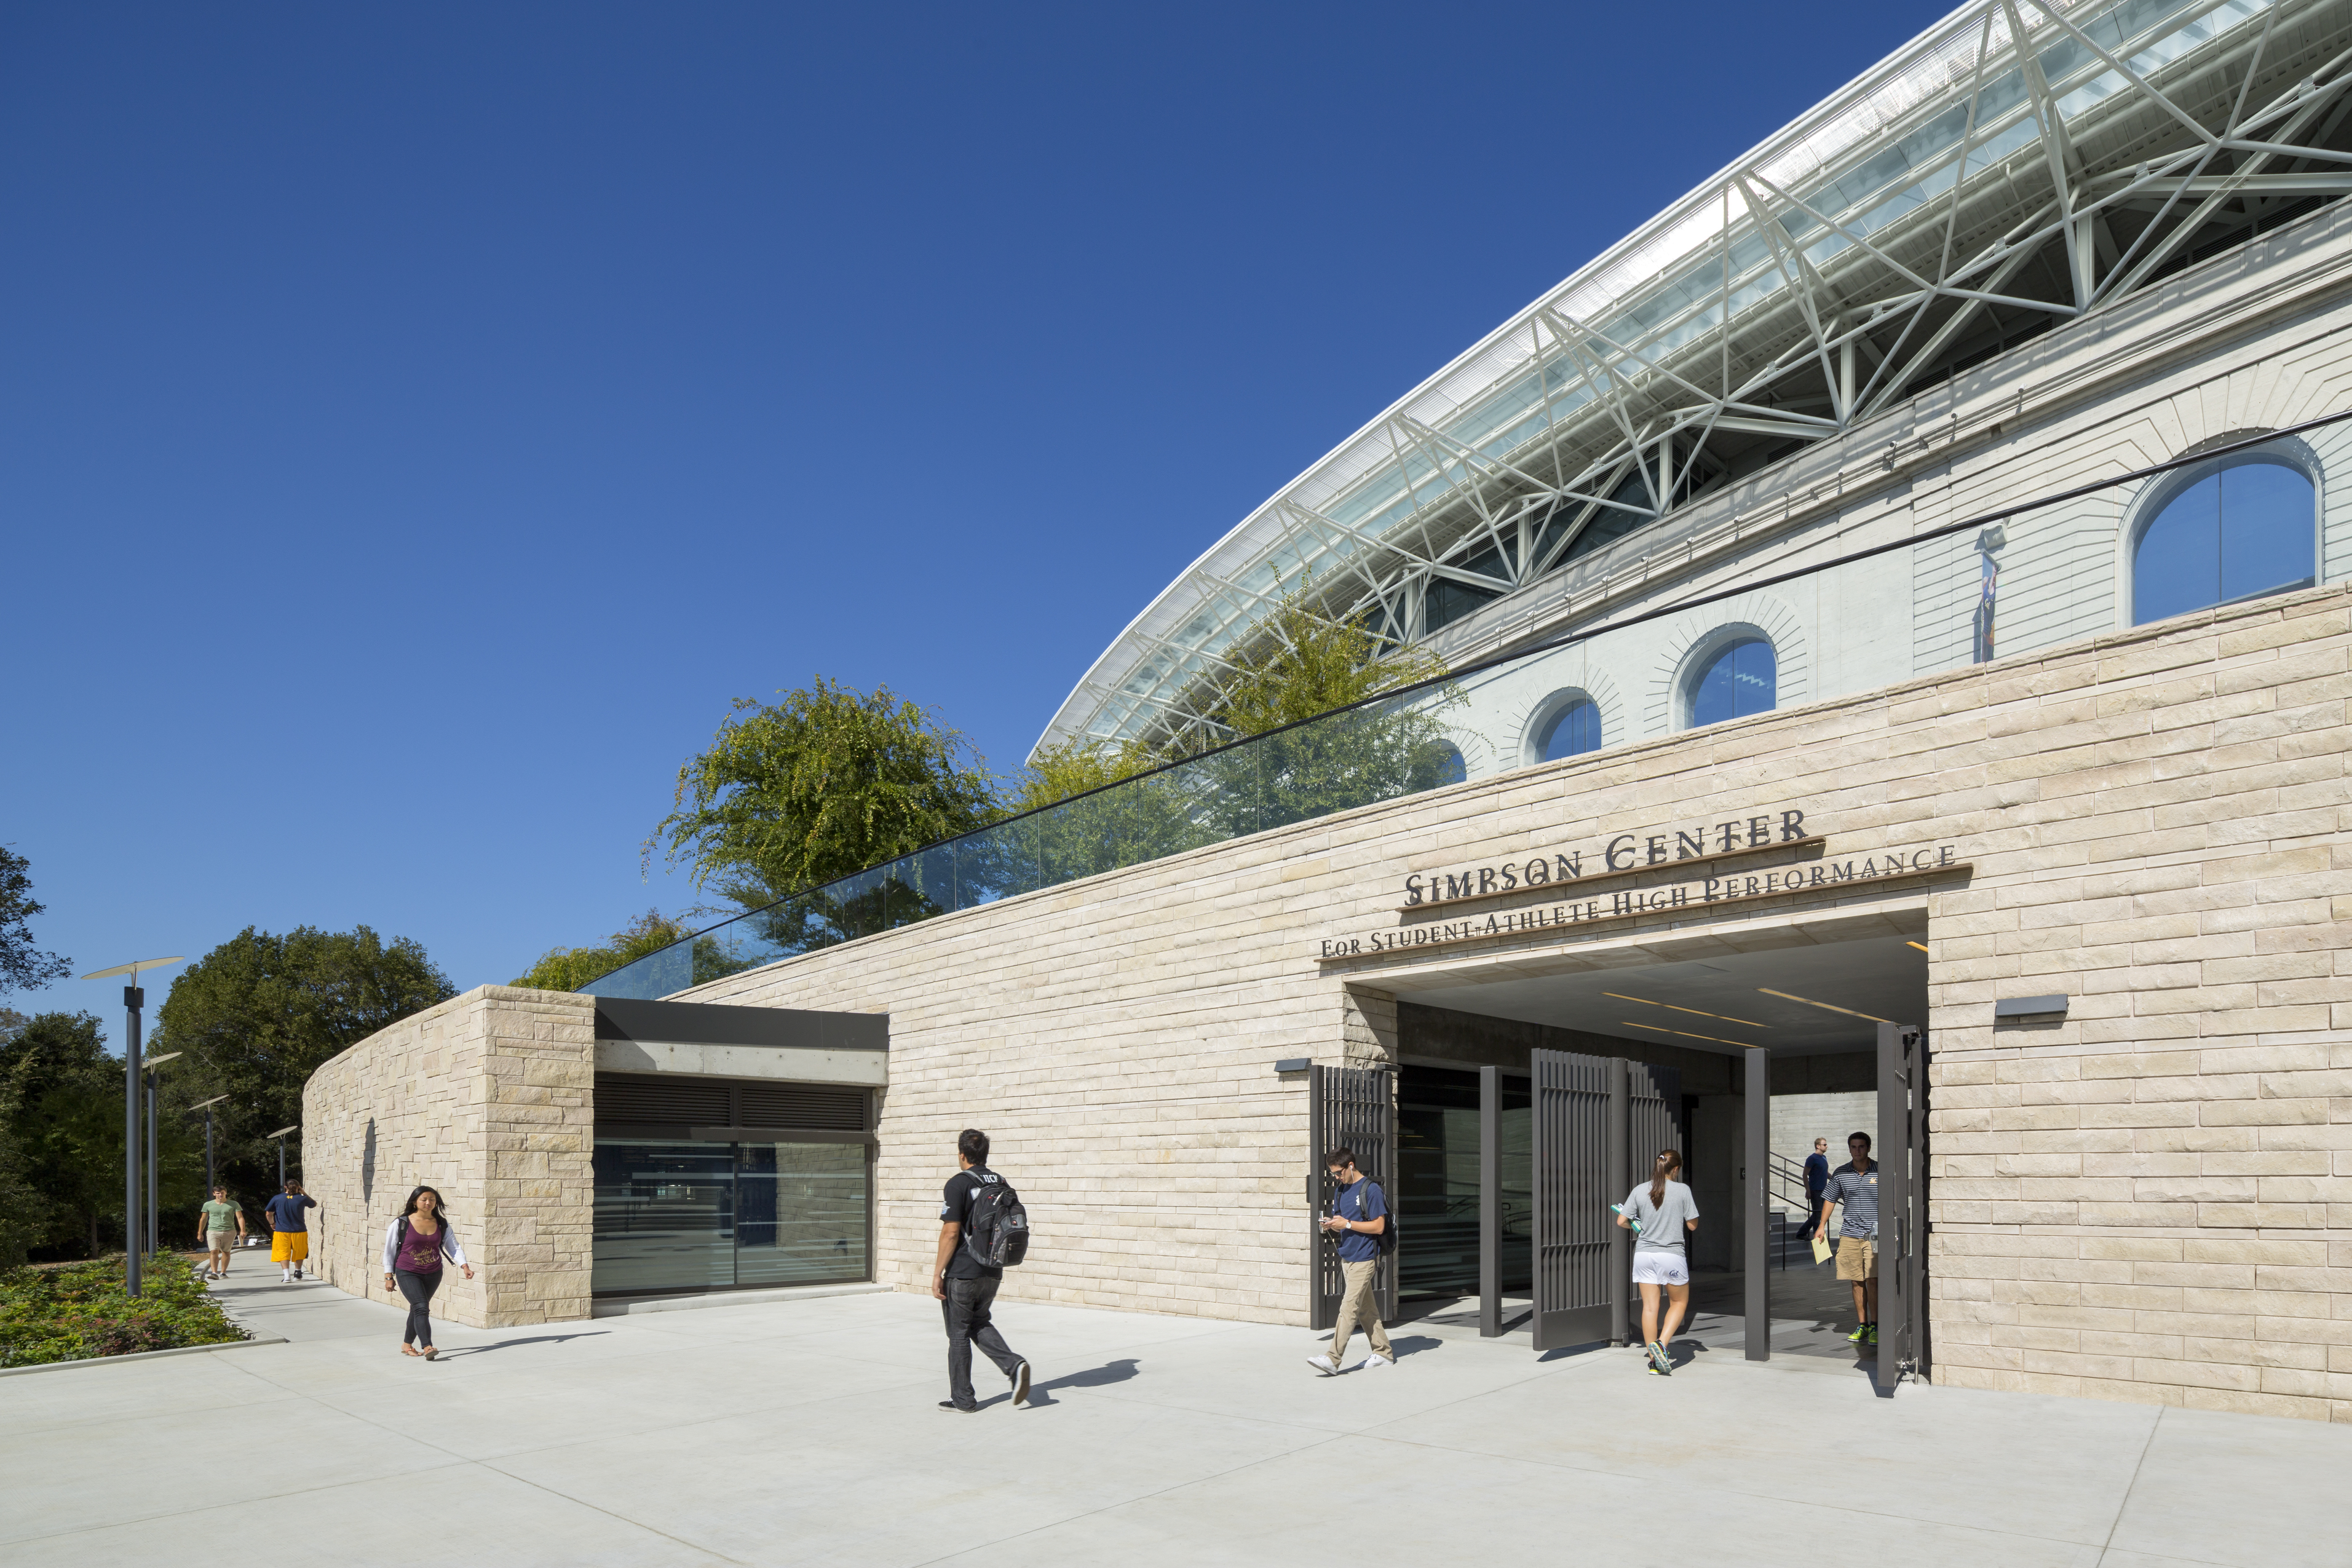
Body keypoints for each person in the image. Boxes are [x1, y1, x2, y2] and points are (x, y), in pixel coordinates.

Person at [932, 1129, 1031, 1413]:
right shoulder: (1000, 1182)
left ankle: (962, 1400)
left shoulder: (958, 1183)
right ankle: (1014, 1365)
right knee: (978, 1321)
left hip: (963, 1271)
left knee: (959, 1333)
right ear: (985, 1155)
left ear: (961, 1154)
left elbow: (951, 1232)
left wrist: (938, 1273)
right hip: (993, 1269)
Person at [1307, 1147, 1393, 1376]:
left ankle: (1332, 1359)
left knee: (1349, 1307)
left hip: (1365, 1258)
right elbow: (1341, 1219)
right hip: (1347, 1256)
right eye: (1333, 1174)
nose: (1336, 1177)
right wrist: (1330, 1223)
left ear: (1351, 1166)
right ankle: (1383, 1352)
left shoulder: (1371, 1190)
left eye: (1338, 1173)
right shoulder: (1341, 1190)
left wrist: (1345, 1224)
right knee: (1367, 1310)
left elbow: (1379, 1226)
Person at [1616, 1149, 1700, 1376]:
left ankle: (1654, 1362)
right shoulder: (1682, 1190)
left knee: (1650, 1307)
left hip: (1644, 1255)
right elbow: (1693, 1225)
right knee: (1679, 1303)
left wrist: (1638, 1225)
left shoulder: (1640, 1190)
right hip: (1670, 1255)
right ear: (1676, 1169)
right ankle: (1662, 1344)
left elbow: (1622, 1221)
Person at [381, 1184, 473, 1360]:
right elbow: (390, 1251)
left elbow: (453, 1247)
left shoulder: (441, 1223)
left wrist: (464, 1266)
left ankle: (407, 1345)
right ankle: (428, 1346)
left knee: (417, 1309)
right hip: (407, 1271)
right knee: (422, 1308)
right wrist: (388, 1276)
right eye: (424, 1199)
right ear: (415, 1202)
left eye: (432, 1199)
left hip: (433, 1272)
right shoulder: (402, 1223)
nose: (428, 1202)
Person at [1819, 1131, 1880, 1345]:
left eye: (1861, 1147)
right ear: (1849, 1149)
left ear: (1868, 1148)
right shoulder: (1841, 1172)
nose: (1857, 1151)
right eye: (1853, 1147)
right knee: (1856, 1281)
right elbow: (1830, 1199)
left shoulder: (1880, 1171)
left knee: (1873, 1280)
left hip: (1875, 1234)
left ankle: (1876, 1326)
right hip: (1850, 1234)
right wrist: (1821, 1226)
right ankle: (1863, 1325)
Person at [264, 1180, 318, 1283]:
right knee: (300, 1251)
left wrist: (272, 1223)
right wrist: (304, 1193)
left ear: (285, 1187)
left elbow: (268, 1213)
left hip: (282, 1231)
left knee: (283, 1252)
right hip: (300, 1230)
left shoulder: (277, 1198)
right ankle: (298, 1273)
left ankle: (287, 1276)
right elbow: (313, 1204)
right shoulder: (302, 1199)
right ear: (299, 1187)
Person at [196, 1186, 245, 1280]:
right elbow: (204, 1219)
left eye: (222, 1193)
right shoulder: (208, 1205)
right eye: (218, 1193)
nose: (220, 1195)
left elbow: (240, 1218)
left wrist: (242, 1230)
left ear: (226, 1192)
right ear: (214, 1194)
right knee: (214, 1251)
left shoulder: (234, 1204)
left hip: (229, 1231)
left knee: (226, 1252)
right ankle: (214, 1273)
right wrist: (200, 1233)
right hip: (213, 1231)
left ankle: (223, 1272)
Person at [1802, 1138, 1832, 1240]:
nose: (1826, 1146)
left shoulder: (1824, 1158)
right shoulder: (1812, 1159)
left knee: (1818, 1214)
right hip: (1815, 1190)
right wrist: (1808, 1190)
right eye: (1825, 1144)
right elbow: (1805, 1175)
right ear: (1818, 1146)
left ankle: (1801, 1233)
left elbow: (1826, 1173)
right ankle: (1816, 1238)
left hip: (1824, 1190)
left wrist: (1835, 1179)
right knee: (1817, 1215)